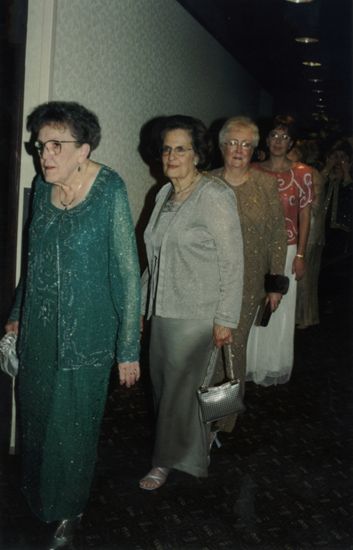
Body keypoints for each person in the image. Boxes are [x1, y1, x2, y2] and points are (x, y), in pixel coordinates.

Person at [5, 101, 141, 549]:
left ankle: (69, 509)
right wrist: (16, 316)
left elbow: (126, 273)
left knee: (73, 428)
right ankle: (39, 495)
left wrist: (128, 349)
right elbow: (34, 261)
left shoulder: (110, 190)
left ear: (83, 150)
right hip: (39, 333)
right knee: (38, 418)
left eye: (56, 145)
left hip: (88, 335)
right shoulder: (43, 190)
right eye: (42, 145)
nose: (45, 154)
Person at [139, 115, 243, 490]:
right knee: (167, 388)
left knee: (179, 392)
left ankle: (162, 463)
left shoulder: (214, 195)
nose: (171, 155)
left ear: (198, 155)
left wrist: (225, 317)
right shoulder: (164, 194)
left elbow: (234, 261)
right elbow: (156, 257)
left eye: (181, 148)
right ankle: (195, 448)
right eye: (167, 148)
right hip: (163, 310)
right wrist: (140, 305)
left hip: (197, 314)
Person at [210, 116, 287, 432]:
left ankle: (221, 420)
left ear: (254, 149)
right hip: (209, 281)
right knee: (207, 351)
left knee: (232, 349)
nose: (238, 149)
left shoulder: (266, 184)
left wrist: (275, 284)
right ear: (222, 146)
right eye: (232, 142)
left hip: (248, 281)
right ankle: (203, 414)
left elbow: (277, 234)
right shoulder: (207, 181)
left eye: (246, 144)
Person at [246, 115, 313, 386]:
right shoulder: (253, 170)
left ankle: (273, 364)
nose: (278, 141)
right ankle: (250, 361)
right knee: (254, 305)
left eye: (284, 137)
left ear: (292, 142)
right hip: (257, 249)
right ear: (266, 139)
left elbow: (305, 216)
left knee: (280, 309)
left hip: (287, 249)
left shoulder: (302, 173)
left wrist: (300, 255)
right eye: (274, 135)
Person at [288, 140, 327, 328]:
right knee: (303, 276)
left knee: (304, 276)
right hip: (306, 229)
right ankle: (302, 316)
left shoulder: (307, 172)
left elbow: (313, 206)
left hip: (309, 231)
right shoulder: (304, 171)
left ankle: (303, 317)